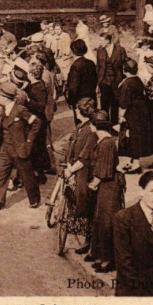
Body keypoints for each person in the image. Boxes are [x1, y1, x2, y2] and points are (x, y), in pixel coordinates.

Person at [0, 82, 42, 210]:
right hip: (6, 147)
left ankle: (34, 199)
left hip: (19, 148)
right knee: (1, 174)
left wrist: (28, 141)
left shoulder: (20, 110)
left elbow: (37, 123)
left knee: (27, 174)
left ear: (5, 98)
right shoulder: (2, 110)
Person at [87, 110, 126, 274]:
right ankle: (101, 256)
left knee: (107, 222)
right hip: (106, 185)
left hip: (110, 186)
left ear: (95, 126)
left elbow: (104, 168)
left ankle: (109, 259)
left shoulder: (106, 143)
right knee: (101, 220)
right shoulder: (104, 140)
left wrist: (94, 183)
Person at [62, 98, 98, 256]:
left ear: (80, 111)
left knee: (84, 204)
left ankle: (88, 241)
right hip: (76, 169)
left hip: (84, 173)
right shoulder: (82, 127)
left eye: (77, 110)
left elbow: (84, 157)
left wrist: (71, 169)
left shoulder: (89, 131)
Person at [117, 59, 151, 174]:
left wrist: (121, 116)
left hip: (131, 113)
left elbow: (123, 102)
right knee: (136, 136)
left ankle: (135, 164)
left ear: (124, 70)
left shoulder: (126, 83)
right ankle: (133, 161)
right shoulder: (138, 80)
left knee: (130, 138)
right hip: (140, 112)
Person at [96, 29, 127, 125]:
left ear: (108, 41)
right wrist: (98, 82)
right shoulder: (100, 50)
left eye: (101, 40)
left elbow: (125, 65)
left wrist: (123, 80)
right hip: (104, 81)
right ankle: (105, 127)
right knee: (104, 106)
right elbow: (98, 66)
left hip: (116, 81)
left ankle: (114, 126)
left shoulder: (120, 50)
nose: (100, 43)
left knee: (115, 104)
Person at [66, 39, 98, 125]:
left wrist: (70, 101)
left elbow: (73, 87)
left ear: (73, 52)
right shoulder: (91, 63)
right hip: (91, 96)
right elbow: (95, 80)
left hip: (80, 100)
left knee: (81, 123)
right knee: (92, 121)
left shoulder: (75, 66)